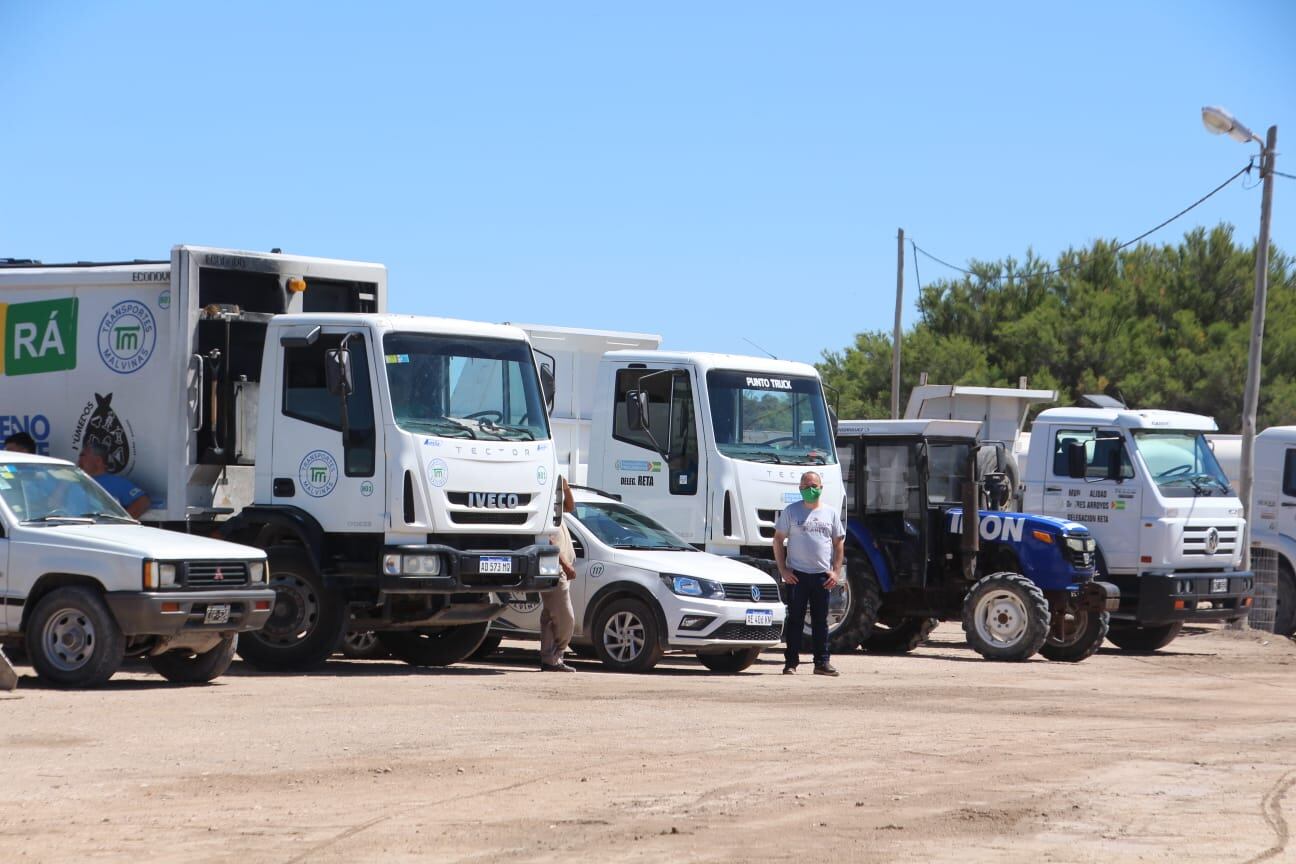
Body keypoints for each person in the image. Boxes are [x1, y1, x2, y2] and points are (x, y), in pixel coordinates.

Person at [773, 470, 845, 677]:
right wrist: (783, 570)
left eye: (814, 486)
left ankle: (822, 663)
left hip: (822, 576)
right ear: (800, 489)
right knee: (795, 619)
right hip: (797, 575)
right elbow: (778, 540)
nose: (810, 490)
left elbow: (839, 543)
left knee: (821, 621)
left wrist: (836, 572)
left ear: (821, 488)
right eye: (806, 487)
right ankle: (791, 663)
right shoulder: (791, 512)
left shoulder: (830, 513)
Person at [539, 475, 578, 672]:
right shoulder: (541, 508)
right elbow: (547, 540)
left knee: (550, 616)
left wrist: (566, 487)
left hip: (560, 568)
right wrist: (565, 564)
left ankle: (551, 658)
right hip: (554, 568)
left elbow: (570, 507)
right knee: (565, 616)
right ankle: (557, 652)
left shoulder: (555, 505)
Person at [77, 443, 151, 519]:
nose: (78, 460)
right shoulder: (74, 482)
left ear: (98, 460)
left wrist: (123, 521)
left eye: (82, 455)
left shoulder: (117, 483)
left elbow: (142, 502)